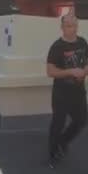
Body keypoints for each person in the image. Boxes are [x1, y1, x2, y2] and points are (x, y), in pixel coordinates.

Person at [46, 13, 88, 168]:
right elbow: (50, 71)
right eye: (70, 25)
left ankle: (63, 141)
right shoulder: (57, 47)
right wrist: (71, 72)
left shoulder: (83, 42)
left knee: (82, 120)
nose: (73, 28)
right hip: (62, 92)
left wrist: (84, 71)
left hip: (78, 91)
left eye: (75, 25)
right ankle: (52, 153)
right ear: (62, 27)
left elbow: (86, 62)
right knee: (58, 123)